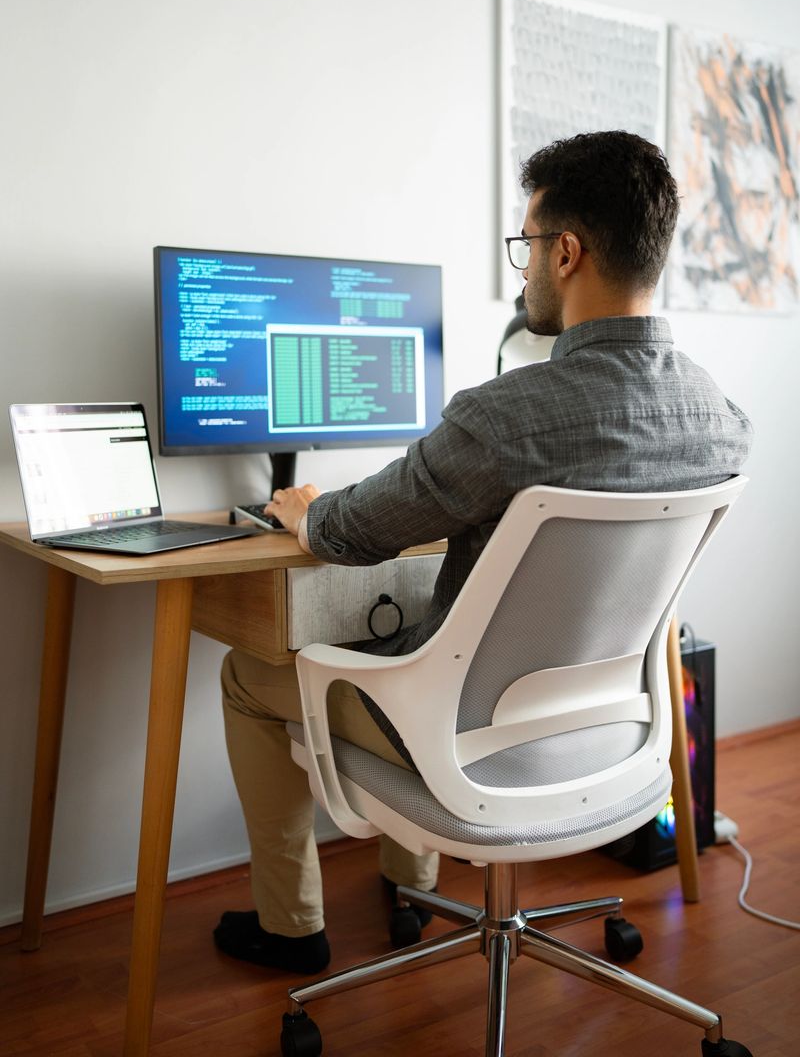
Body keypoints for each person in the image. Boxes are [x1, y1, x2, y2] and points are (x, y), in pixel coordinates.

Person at [214, 130, 752, 975]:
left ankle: (293, 928)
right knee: (423, 635)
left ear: (566, 251)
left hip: (466, 742)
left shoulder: (504, 416)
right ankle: (409, 890)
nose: (524, 268)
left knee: (247, 676)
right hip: (617, 740)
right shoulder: (721, 419)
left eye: (528, 245)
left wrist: (305, 512)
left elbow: (353, 534)